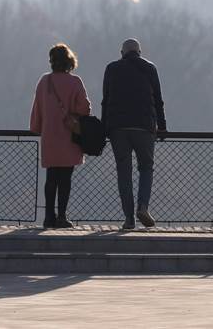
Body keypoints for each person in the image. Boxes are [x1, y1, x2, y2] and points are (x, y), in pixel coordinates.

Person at [101, 37, 167, 229]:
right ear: (139, 52)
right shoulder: (150, 68)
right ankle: (143, 206)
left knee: (124, 172)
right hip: (144, 127)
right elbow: (158, 100)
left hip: (118, 128)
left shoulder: (112, 69)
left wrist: (104, 128)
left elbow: (106, 100)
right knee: (146, 167)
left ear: (122, 53)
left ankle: (129, 218)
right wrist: (162, 126)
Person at [29, 43, 91, 228]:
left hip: (49, 136)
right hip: (69, 137)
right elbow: (84, 108)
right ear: (69, 61)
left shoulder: (44, 82)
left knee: (51, 178)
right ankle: (62, 216)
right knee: (65, 179)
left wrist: (36, 127)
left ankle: (49, 217)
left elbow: (37, 109)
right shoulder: (75, 82)